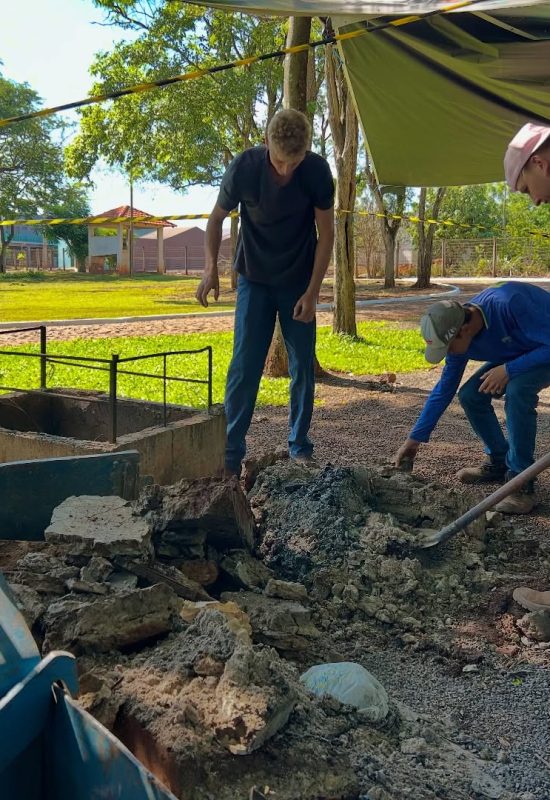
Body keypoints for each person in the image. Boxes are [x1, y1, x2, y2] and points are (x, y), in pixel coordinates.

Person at [395, 122, 550, 515]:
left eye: (452, 347)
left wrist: (510, 369)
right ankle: (498, 460)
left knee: (517, 390)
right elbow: (444, 390)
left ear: (465, 327)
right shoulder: (460, 334)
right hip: (526, 352)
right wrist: (415, 440)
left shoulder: (511, 301)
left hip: (546, 344)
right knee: (469, 394)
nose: (453, 355)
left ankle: (522, 484)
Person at [196, 109, 335, 477]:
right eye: (279, 161)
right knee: (244, 366)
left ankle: (300, 447)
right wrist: (211, 269)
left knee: (302, 366)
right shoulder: (244, 167)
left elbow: (327, 235)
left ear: (306, 151)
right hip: (253, 279)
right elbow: (215, 219)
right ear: (266, 144)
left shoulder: (317, 172)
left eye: (295, 162)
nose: (287, 170)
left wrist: (313, 291)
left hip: (298, 282)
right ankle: (230, 456)